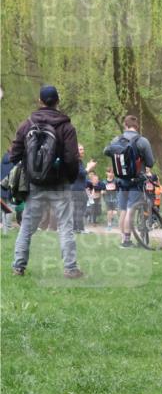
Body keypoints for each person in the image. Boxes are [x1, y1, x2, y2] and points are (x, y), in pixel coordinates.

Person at [10, 85, 84, 278]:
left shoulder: (27, 124)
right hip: (60, 184)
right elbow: (71, 158)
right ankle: (70, 268)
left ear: (40, 101)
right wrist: (70, 177)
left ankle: (18, 266)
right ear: (57, 101)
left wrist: (30, 166)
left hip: (35, 184)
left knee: (27, 226)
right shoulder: (66, 127)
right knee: (65, 225)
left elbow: (14, 154)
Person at [104, 114, 155, 248]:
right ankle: (127, 241)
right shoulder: (142, 141)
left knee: (122, 209)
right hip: (136, 181)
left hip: (120, 180)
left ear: (125, 125)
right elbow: (150, 162)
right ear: (136, 127)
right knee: (131, 209)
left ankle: (123, 239)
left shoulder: (116, 139)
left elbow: (106, 151)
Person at [1, 150, 15, 232]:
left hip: (1, 188)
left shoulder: (2, 161)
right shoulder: (14, 163)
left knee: (3, 208)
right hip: (10, 188)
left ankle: (4, 226)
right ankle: (8, 227)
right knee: (10, 207)